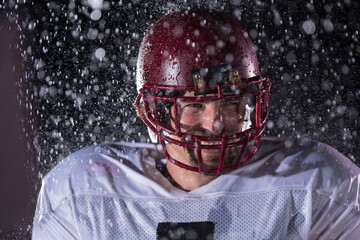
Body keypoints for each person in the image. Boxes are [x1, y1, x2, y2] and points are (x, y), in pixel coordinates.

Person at [32, 9, 360, 239]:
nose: (216, 123)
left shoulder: (316, 185)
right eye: (195, 105)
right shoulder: (82, 191)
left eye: (231, 103)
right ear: (153, 112)